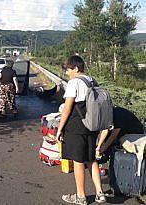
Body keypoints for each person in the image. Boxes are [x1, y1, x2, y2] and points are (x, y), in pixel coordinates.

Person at [56, 55, 106, 205]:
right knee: (91, 159)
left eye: (68, 69)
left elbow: (67, 108)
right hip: (92, 125)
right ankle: (100, 193)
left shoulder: (74, 82)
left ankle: (81, 196)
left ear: (76, 69)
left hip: (77, 126)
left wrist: (59, 129)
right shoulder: (92, 80)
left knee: (78, 161)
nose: (67, 73)